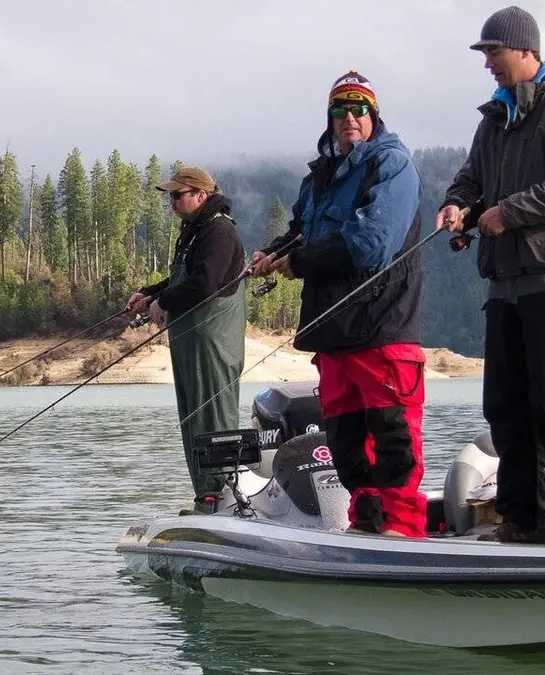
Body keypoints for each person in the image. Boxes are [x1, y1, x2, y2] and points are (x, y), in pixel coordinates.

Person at [436, 5, 545, 545]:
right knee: (505, 408)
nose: (487, 62)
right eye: (485, 54)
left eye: (493, 52)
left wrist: (508, 212)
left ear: (525, 50)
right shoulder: (493, 120)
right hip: (506, 286)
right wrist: (457, 206)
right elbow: (471, 180)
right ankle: (523, 518)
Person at [251, 71, 427, 537]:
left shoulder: (392, 166)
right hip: (334, 330)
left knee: (393, 434)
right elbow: (301, 230)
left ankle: (404, 529)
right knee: (347, 444)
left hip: (381, 325)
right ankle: (366, 524)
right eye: (339, 110)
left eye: (358, 109)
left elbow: (372, 243)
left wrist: (300, 261)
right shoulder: (322, 176)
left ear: (373, 114)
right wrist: (275, 251)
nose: (349, 118)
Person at [127, 167, 246, 513]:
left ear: (200, 195)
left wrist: (164, 303)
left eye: (177, 196)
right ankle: (204, 496)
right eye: (170, 196)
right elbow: (183, 279)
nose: (172, 203)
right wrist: (151, 295)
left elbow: (205, 283)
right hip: (192, 341)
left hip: (213, 342)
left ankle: (219, 495)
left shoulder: (219, 231)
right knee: (192, 417)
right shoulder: (196, 231)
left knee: (212, 415)